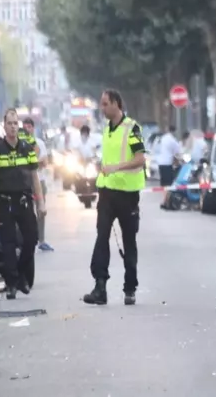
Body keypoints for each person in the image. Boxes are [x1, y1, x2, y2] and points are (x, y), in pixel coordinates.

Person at [83, 89, 146, 306]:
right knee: (101, 238)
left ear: (116, 104)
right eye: (101, 104)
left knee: (129, 242)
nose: (102, 108)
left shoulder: (132, 128)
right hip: (107, 194)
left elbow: (140, 159)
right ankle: (100, 287)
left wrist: (116, 167)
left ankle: (130, 287)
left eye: (105, 104)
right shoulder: (106, 130)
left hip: (127, 196)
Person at [0, 109, 45, 299]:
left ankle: (19, 275)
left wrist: (40, 203)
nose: (13, 127)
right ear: (4, 126)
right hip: (5, 202)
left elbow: (35, 177)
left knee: (31, 238)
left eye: (15, 123)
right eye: (9, 123)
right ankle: (12, 284)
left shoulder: (27, 148)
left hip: (25, 200)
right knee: (8, 243)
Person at [23, 118, 54, 252]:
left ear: (33, 128)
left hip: (39, 181)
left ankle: (42, 240)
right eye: (25, 127)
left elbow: (44, 162)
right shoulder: (21, 144)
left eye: (29, 127)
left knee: (41, 211)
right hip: (24, 183)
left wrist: (30, 162)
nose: (27, 129)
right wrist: (35, 162)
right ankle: (28, 239)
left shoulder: (39, 143)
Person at [157, 126, 183, 209]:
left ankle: (165, 200)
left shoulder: (163, 138)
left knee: (164, 184)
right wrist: (179, 159)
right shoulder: (172, 140)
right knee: (169, 184)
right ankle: (165, 201)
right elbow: (178, 151)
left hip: (161, 163)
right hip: (167, 163)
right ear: (174, 131)